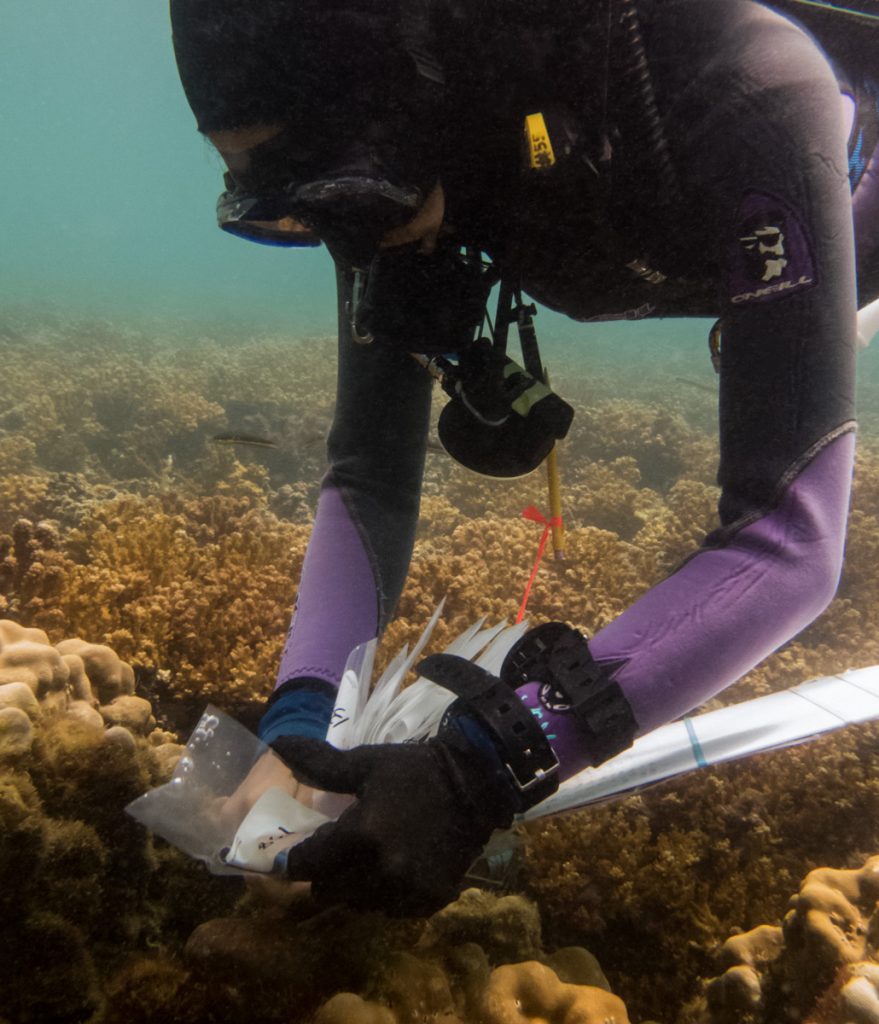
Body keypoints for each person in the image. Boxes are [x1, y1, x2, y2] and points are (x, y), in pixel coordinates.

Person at [170, 0, 879, 916]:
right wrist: (300, 724)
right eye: (282, 208)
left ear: (429, 100)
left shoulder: (744, 83)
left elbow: (787, 546)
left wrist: (482, 764)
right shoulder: (391, 171)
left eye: (336, 193)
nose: (341, 240)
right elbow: (367, 476)